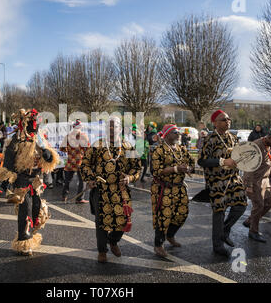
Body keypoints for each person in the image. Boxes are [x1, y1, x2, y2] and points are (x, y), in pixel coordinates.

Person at [0, 108, 59, 256]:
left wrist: (48, 156)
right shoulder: (16, 139)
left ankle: (32, 235)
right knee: (25, 210)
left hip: (36, 180)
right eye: (31, 124)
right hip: (22, 180)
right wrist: (7, 180)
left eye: (36, 124)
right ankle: (24, 241)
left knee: (37, 209)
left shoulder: (40, 138)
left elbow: (49, 157)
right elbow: (9, 160)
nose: (34, 127)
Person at [80, 117, 142, 263]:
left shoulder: (128, 146)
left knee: (123, 220)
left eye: (115, 126)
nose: (112, 129)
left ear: (121, 129)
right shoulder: (97, 145)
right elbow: (85, 164)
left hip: (121, 190)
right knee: (101, 222)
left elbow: (136, 168)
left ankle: (113, 241)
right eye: (109, 126)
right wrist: (90, 178)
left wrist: (130, 178)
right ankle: (102, 251)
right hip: (101, 189)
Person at [198, 110, 247, 257]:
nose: (228, 121)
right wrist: (222, 161)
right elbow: (201, 161)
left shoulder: (233, 138)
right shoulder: (210, 138)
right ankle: (217, 245)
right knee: (219, 212)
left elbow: (238, 156)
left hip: (233, 178)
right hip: (217, 181)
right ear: (215, 123)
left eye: (229, 119)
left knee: (241, 205)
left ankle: (224, 231)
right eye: (224, 119)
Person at [151, 124, 195, 258]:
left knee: (182, 214)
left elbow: (192, 163)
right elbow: (156, 171)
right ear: (167, 135)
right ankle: (158, 245)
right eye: (175, 132)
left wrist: (189, 168)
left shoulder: (181, 149)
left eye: (179, 132)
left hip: (180, 187)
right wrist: (176, 169)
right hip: (164, 188)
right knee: (164, 217)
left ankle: (170, 235)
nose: (178, 134)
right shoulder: (159, 150)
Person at [242, 129, 271, 242]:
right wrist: (249, 185)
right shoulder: (256, 145)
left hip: (265, 180)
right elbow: (249, 166)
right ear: (269, 137)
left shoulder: (270, 145)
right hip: (254, 180)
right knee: (259, 206)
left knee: (270, 203)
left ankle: (250, 221)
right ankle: (253, 232)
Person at [60, 119, 90, 203]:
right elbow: (88, 148)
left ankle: (64, 196)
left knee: (67, 180)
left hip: (70, 161)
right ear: (80, 127)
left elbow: (62, 148)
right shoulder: (83, 136)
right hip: (80, 161)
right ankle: (79, 198)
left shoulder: (68, 136)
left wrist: (69, 151)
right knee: (82, 180)